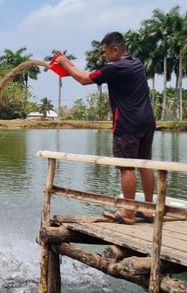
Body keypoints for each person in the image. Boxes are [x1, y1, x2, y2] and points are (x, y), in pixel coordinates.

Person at [55, 31, 156, 224]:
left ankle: (128, 213)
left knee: (126, 168)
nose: (104, 56)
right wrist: (69, 67)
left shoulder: (116, 68)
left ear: (115, 50)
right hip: (147, 122)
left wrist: (65, 65)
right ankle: (148, 210)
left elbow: (85, 79)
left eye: (105, 52)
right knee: (145, 165)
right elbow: (86, 74)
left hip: (127, 124)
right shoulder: (136, 63)